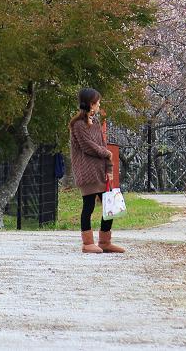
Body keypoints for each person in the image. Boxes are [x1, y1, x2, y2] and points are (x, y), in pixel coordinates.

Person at [68, 87, 124, 254]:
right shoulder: (77, 125)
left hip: (100, 172)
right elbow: (88, 147)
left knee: (111, 206)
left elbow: (103, 145)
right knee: (89, 206)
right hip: (87, 172)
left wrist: (109, 167)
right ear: (91, 104)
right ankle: (87, 243)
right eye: (97, 102)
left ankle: (105, 242)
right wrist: (106, 153)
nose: (99, 105)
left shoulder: (97, 123)